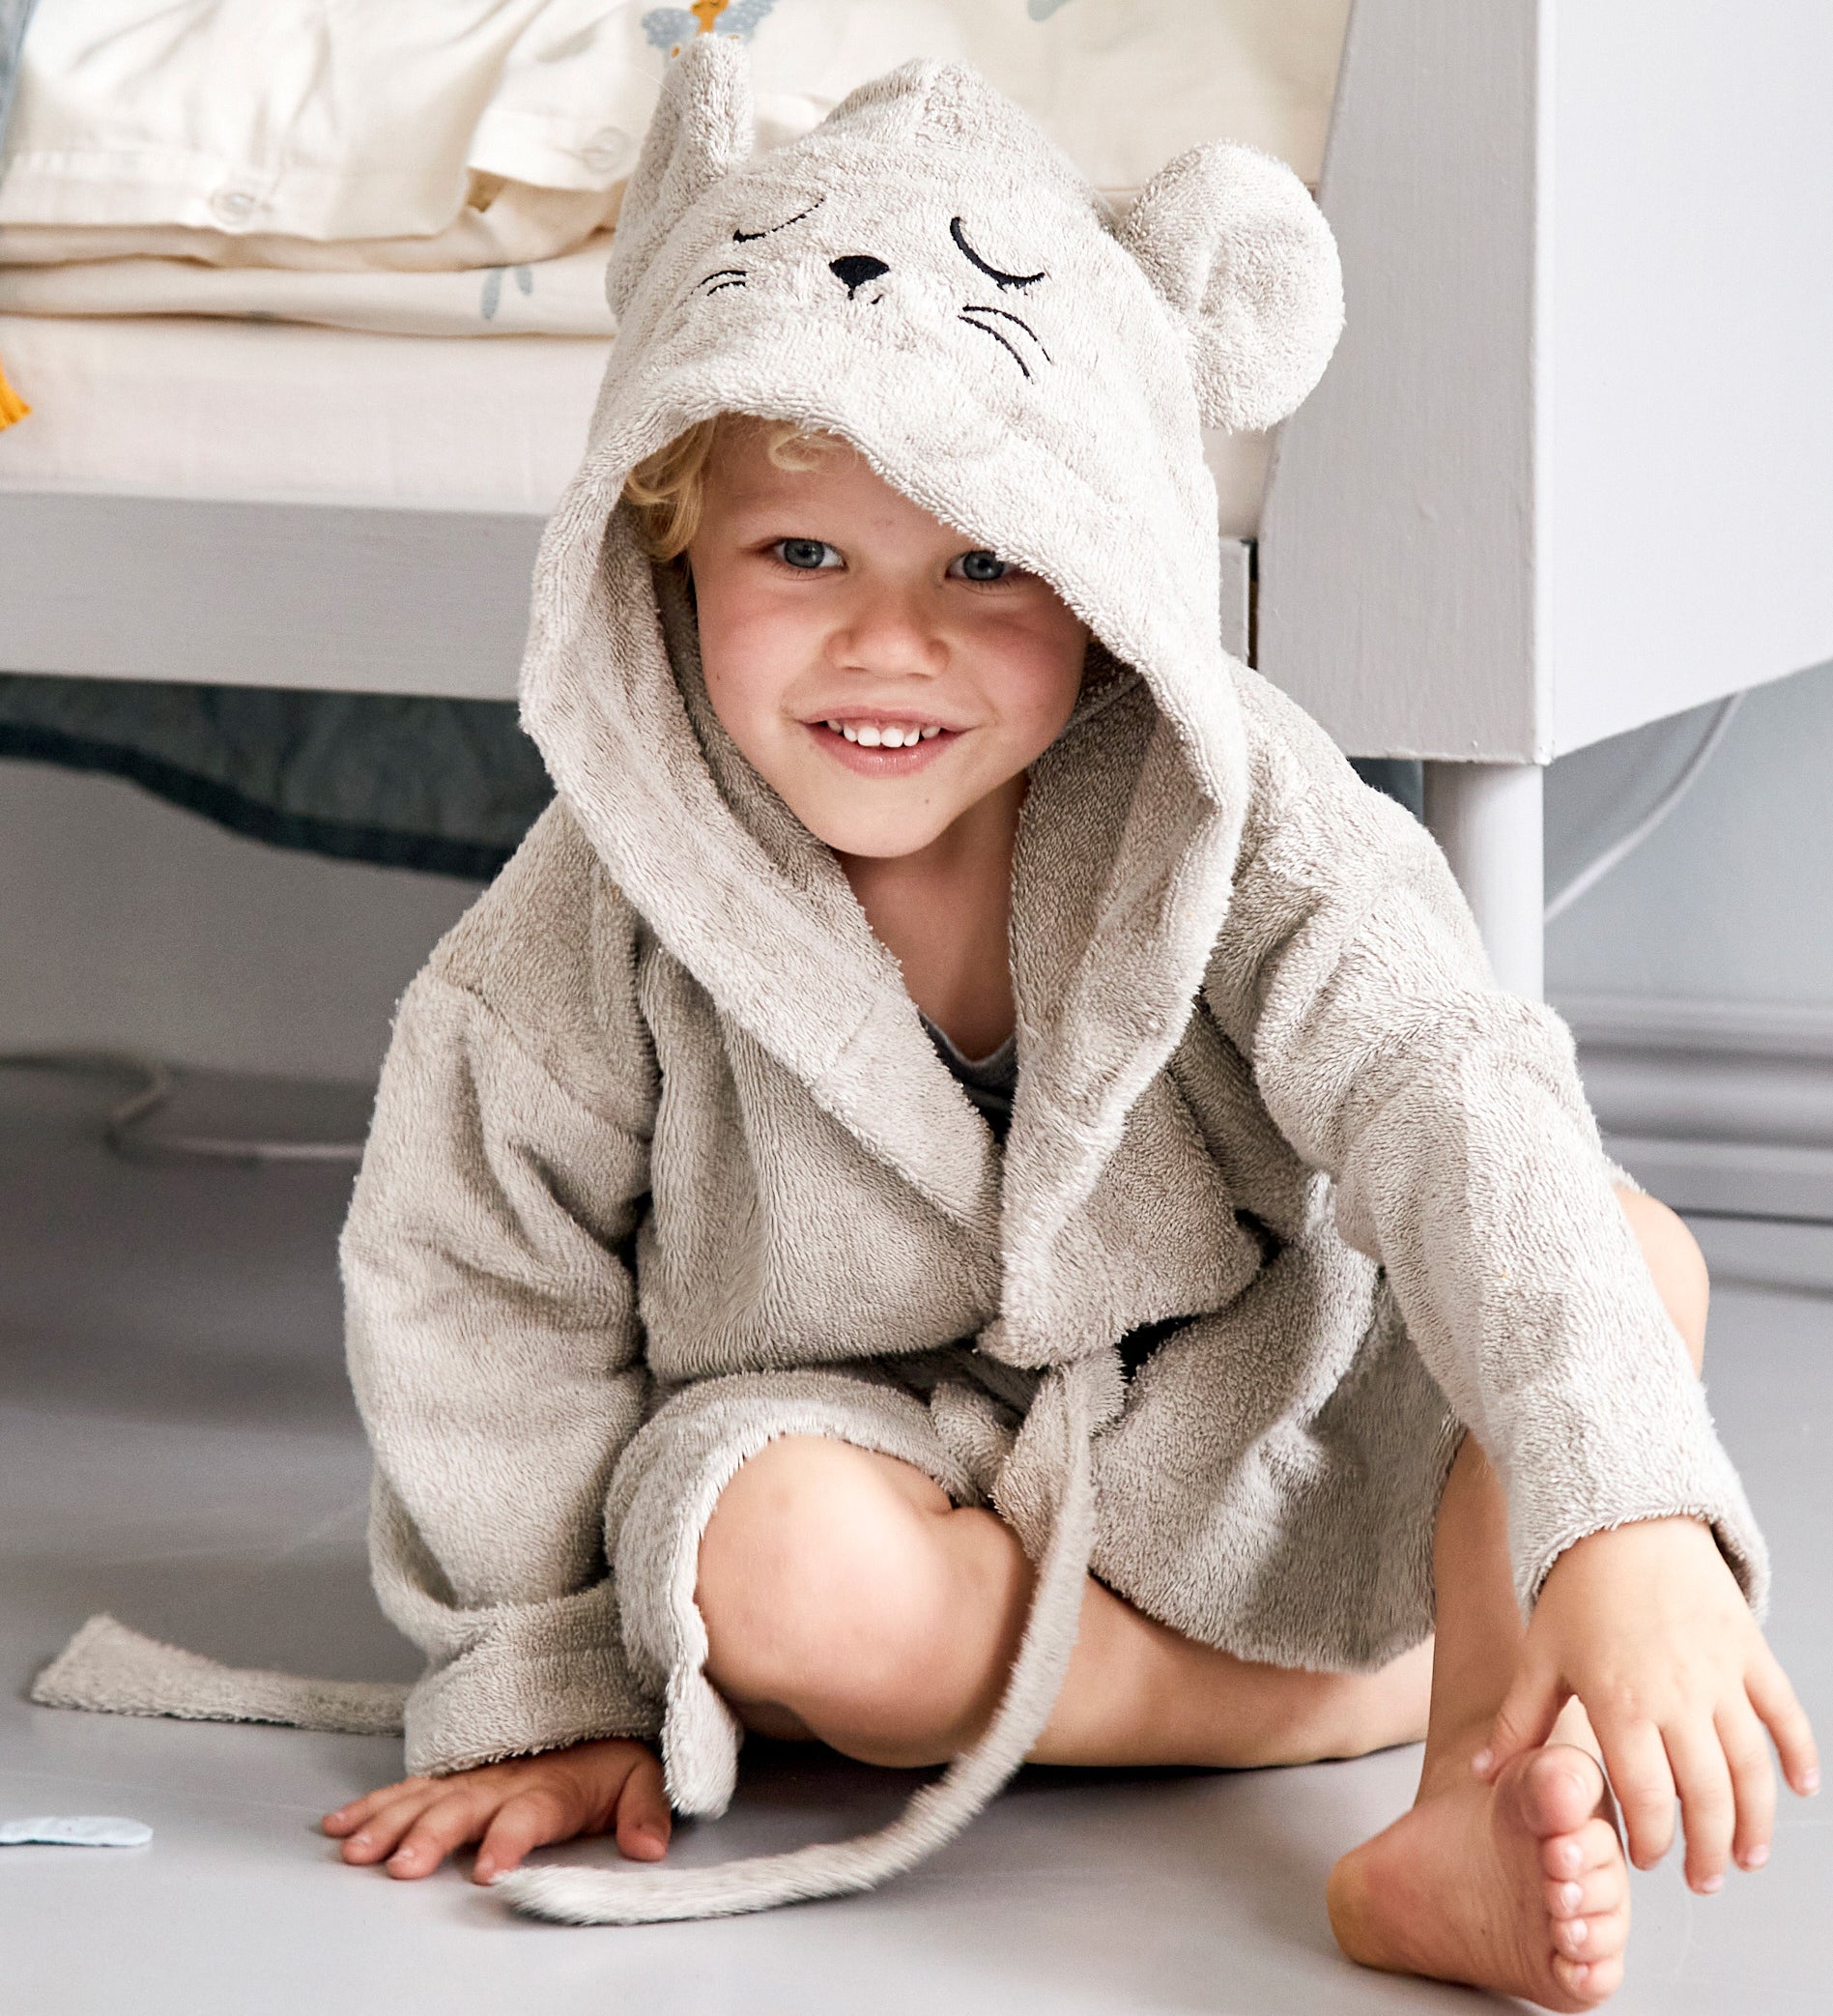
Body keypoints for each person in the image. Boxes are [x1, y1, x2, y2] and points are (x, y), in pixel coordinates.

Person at [317, 41, 1815, 2008]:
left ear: (1110, 572)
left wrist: (1619, 1505)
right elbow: (476, 1279)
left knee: (1617, 1255)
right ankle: (1379, 1680)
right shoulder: (601, 899)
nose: (888, 641)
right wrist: (547, 1673)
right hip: (883, 1469)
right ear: (666, 539)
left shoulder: (1237, 809)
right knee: (763, 1563)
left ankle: (1457, 1790)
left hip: (1238, 1412)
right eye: (801, 552)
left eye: (984, 565)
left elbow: (1446, 1081)